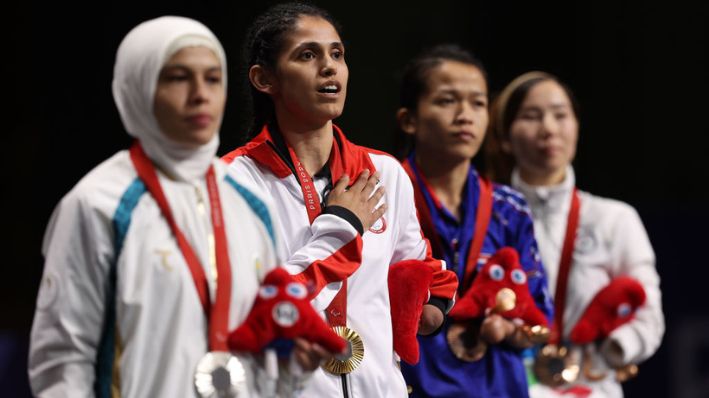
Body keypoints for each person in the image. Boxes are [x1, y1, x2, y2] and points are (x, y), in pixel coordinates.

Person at [28, 16, 324, 397]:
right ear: (139, 87)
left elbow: (262, 345)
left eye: (213, 79)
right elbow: (63, 360)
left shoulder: (248, 200)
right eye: (178, 78)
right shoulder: (98, 205)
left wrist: (292, 370)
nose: (200, 94)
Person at [222, 3, 459, 397]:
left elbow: (424, 270)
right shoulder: (234, 182)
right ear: (265, 79)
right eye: (307, 55)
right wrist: (342, 228)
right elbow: (258, 307)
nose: (329, 67)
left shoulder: (385, 174)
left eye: (337, 54)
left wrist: (426, 308)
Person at [485, 71, 664, 397]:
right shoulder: (486, 217)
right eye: (531, 116)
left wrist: (614, 350)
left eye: (560, 115)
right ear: (506, 137)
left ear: (577, 127)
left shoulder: (615, 219)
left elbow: (648, 317)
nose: (549, 129)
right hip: (508, 387)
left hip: (592, 388)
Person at [395, 44, 553, 398]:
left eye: (478, 103)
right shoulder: (384, 199)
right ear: (409, 120)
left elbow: (539, 315)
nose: (465, 115)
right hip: (407, 383)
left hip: (498, 386)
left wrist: (509, 327)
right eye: (448, 100)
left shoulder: (510, 209)